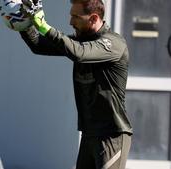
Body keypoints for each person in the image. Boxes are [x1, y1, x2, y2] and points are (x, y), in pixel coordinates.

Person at [17, 0, 133, 168]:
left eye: (76, 17)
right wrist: (23, 24)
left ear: (93, 18)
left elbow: (79, 53)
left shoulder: (114, 44)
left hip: (112, 135)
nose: (71, 22)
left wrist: (44, 26)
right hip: (89, 134)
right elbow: (39, 45)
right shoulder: (80, 41)